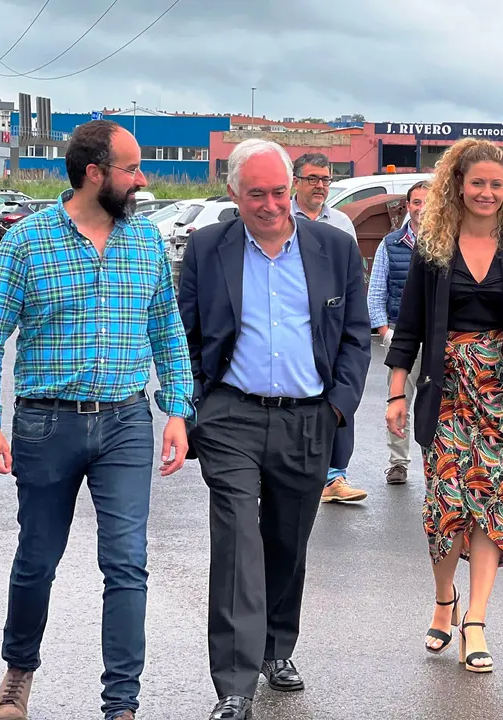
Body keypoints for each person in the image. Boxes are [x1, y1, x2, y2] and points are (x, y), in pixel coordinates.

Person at [0, 119, 193, 720]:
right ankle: (17, 673)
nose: (142, 180)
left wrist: (177, 411)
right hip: (46, 424)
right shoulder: (28, 242)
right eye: (132, 169)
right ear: (95, 174)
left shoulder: (145, 242)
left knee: (126, 561)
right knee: (37, 558)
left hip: (124, 423)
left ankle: (122, 704)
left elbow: (166, 329)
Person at [178, 139, 370, 720]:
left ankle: (275, 648)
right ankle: (233, 683)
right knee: (237, 541)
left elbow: (356, 335)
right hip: (231, 416)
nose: (270, 205)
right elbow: (184, 335)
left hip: (308, 418)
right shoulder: (208, 247)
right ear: (233, 193)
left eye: (278, 192)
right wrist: (192, 412)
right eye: (256, 194)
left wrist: (337, 406)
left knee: (287, 541)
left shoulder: (335, 248)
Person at [385, 138, 503, 673]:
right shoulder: (433, 248)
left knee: (495, 505)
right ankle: (444, 600)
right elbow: (409, 327)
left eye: (496, 185)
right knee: (447, 511)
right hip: (448, 393)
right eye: (477, 182)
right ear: (458, 185)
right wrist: (395, 392)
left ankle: (475, 620)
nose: (486, 192)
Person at [290, 152, 368, 504]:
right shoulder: (281, 216)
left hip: (332, 320)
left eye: (325, 179)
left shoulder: (340, 223)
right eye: (313, 179)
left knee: (338, 397)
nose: (321, 185)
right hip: (293, 321)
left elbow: (352, 277)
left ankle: (335, 476)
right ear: (296, 181)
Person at [367, 180, 428, 484]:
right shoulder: (391, 243)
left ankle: (436, 459)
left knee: (437, 404)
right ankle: (398, 463)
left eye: (428, 202)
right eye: (417, 202)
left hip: (439, 339)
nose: (422, 208)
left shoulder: (451, 241)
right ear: (408, 206)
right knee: (398, 399)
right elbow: (376, 291)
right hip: (401, 338)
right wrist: (385, 332)